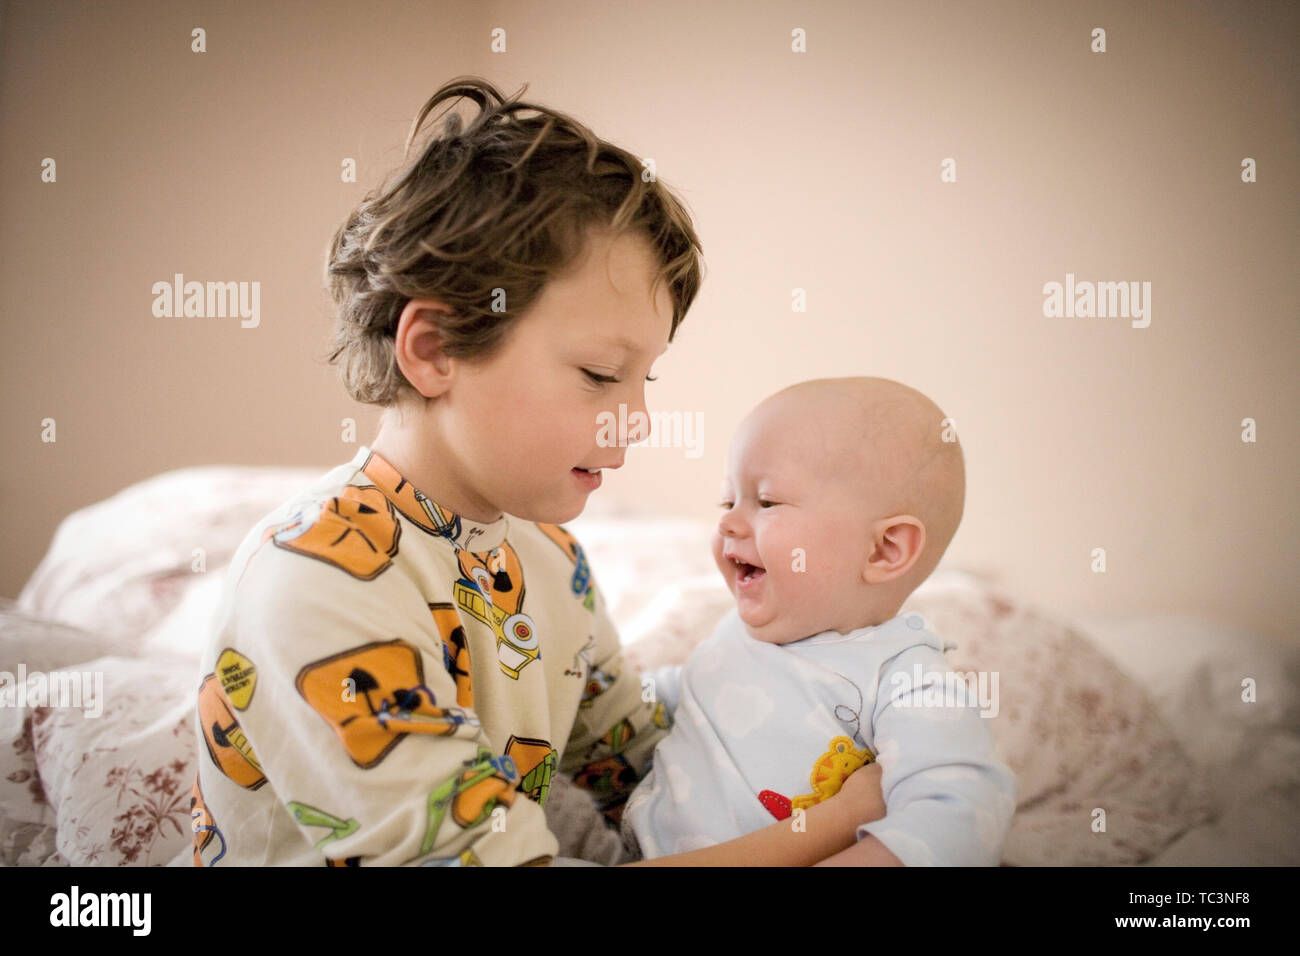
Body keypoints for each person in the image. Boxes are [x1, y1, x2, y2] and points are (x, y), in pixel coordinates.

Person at [188, 77, 883, 867]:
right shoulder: (315, 582)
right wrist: (827, 828)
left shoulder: (549, 557)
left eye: (643, 379)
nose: (639, 421)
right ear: (435, 348)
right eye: (598, 373)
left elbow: (647, 766)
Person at [621, 377, 1018, 866]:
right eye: (728, 501)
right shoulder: (734, 635)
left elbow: (959, 817)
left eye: (766, 502)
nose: (727, 523)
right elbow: (683, 700)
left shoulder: (905, 680)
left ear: (883, 550)